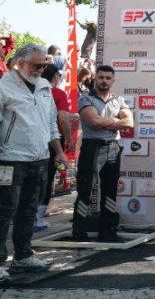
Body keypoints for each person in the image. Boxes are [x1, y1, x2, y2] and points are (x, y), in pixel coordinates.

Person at [0, 43, 67, 279]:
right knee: (4, 212)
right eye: (36, 66)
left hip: (39, 159)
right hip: (10, 160)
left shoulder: (44, 87)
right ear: (20, 64)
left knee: (29, 211)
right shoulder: (3, 86)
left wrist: (58, 152)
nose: (40, 70)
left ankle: (23, 256)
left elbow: (50, 124)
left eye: (44, 66)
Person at [73, 65, 132, 243]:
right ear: (95, 79)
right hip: (92, 148)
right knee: (86, 190)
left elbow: (129, 123)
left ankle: (108, 232)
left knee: (110, 191)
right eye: (101, 77)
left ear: (113, 81)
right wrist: (115, 121)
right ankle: (79, 233)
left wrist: (104, 122)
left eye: (108, 78)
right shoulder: (85, 98)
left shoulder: (118, 100)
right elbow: (93, 120)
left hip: (113, 148)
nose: (104, 81)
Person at [36, 64, 74, 231]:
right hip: (53, 141)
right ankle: (37, 217)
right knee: (47, 178)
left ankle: (30, 216)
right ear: (56, 76)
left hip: (34, 140)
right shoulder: (57, 93)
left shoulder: (33, 91)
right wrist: (69, 140)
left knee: (34, 178)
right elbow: (63, 118)